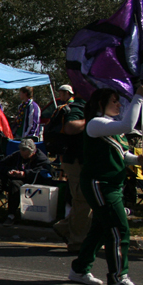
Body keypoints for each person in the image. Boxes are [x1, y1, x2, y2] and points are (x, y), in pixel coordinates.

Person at [68, 86, 143, 285]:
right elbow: (129, 123)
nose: (119, 105)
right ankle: (118, 278)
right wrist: (139, 97)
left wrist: (136, 159)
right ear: (101, 103)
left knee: (101, 229)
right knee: (119, 229)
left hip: (113, 184)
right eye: (114, 101)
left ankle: (79, 269)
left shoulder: (111, 127)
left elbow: (121, 154)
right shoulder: (96, 123)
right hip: (100, 184)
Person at [50, 89, 90, 252]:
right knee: (82, 200)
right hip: (75, 161)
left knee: (86, 200)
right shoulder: (78, 108)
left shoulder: (89, 107)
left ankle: (64, 227)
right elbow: (71, 127)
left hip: (84, 161)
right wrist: (91, 121)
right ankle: (77, 242)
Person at [0, 138, 52, 226]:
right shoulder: (17, 155)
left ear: (33, 151)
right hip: (11, 179)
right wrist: (9, 171)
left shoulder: (41, 158)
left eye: (25, 152)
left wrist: (24, 174)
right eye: (21, 151)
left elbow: (44, 171)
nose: (23, 154)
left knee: (15, 184)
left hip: (28, 182)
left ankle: (11, 215)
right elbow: (0, 165)